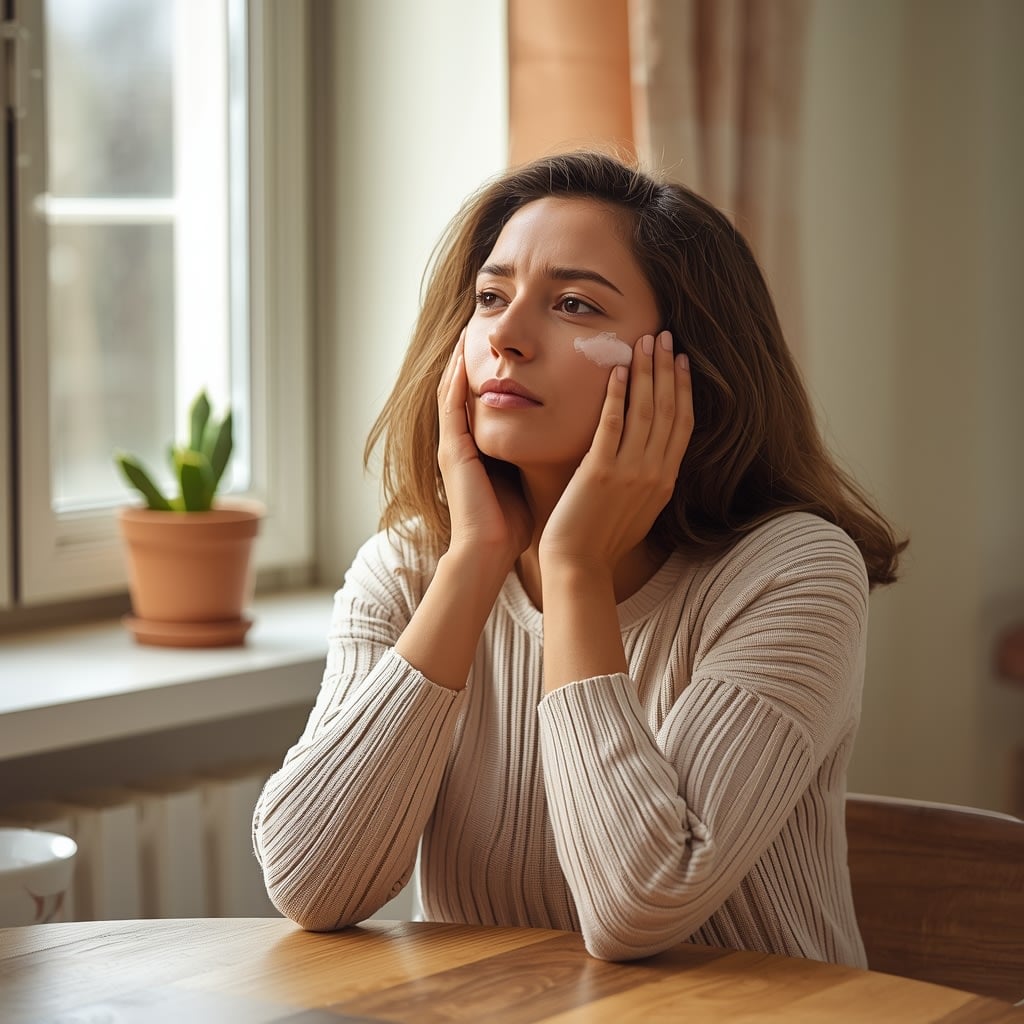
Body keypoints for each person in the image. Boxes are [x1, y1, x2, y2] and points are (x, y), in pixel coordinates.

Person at [252, 150, 906, 965]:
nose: (507, 337)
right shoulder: (408, 570)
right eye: (490, 297)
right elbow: (312, 884)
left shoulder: (793, 572)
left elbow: (640, 904)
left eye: (572, 304)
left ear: (688, 365)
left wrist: (571, 571)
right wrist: (473, 561)